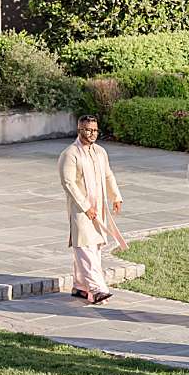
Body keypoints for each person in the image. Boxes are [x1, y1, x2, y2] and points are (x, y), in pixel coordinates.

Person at [56, 115, 123, 305]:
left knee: (95, 246)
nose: (92, 133)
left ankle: (80, 287)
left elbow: (108, 175)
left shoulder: (101, 152)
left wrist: (115, 196)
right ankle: (98, 289)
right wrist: (86, 207)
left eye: (94, 130)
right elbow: (68, 183)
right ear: (79, 130)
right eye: (87, 130)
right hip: (80, 209)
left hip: (99, 207)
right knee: (84, 246)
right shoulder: (70, 154)